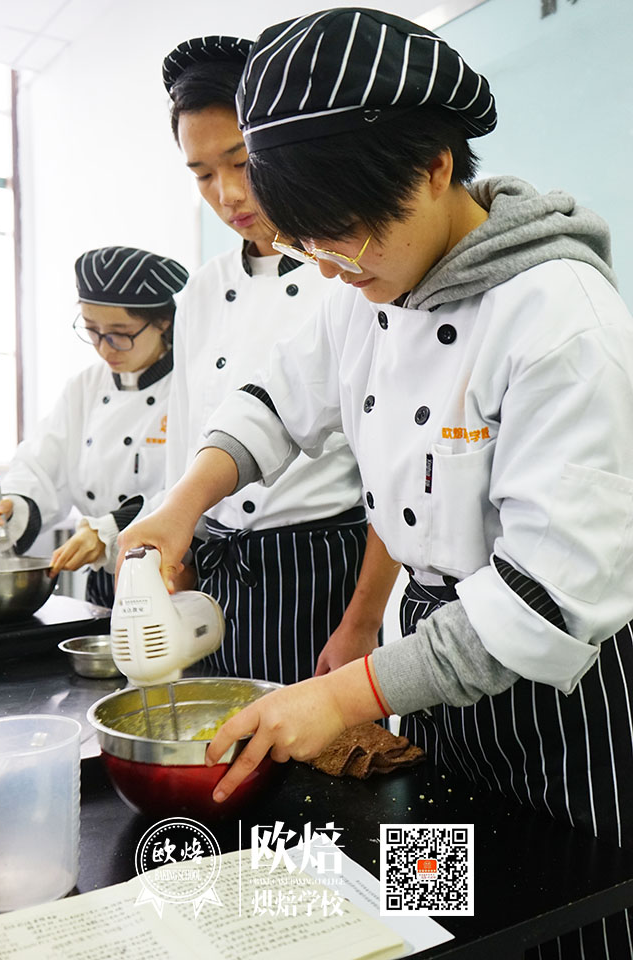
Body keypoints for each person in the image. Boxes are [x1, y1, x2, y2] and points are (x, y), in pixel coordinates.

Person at [119, 11, 633, 957]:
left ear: (436, 168)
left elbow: (550, 602)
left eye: (349, 237)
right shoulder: (369, 287)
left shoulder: (560, 320)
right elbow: (277, 400)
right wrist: (182, 503)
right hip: (430, 681)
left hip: (554, 704)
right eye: (314, 246)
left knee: (563, 918)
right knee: (443, 917)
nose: (337, 270)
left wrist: (347, 693)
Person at [158, 36, 400, 683]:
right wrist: (177, 537)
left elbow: (393, 472)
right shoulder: (204, 289)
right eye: (203, 174)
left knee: (309, 768)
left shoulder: (355, 271)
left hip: (320, 571)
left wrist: (364, 617)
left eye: (241, 162)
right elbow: (196, 429)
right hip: (213, 568)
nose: (228, 194)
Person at [0, 245, 188, 607]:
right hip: (102, 586)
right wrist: (15, 507)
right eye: (92, 331)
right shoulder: (84, 387)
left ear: (163, 322)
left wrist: (110, 529)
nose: (104, 348)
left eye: (119, 332)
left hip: (171, 579)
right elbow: (40, 464)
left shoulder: (189, 386)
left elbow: (190, 490)